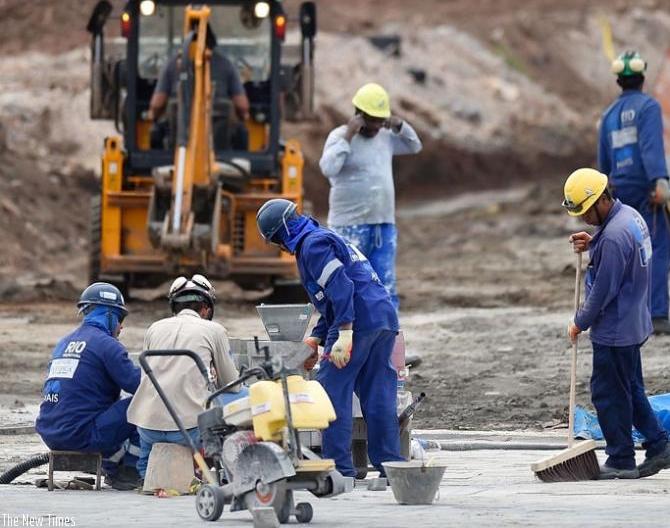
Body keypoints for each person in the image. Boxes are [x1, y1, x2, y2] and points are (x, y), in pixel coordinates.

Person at [255, 198, 405, 478]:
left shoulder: (312, 246)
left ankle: (338, 470)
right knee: (377, 393)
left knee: (329, 391)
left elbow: (342, 288)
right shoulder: (322, 237)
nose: (280, 248)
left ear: (283, 233)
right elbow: (331, 299)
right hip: (382, 317)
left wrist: (345, 333)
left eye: (277, 241)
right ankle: (392, 466)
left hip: (357, 321)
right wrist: (316, 337)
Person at [563, 168, 670, 480]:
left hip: (614, 330)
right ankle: (659, 447)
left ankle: (620, 459)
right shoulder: (629, 217)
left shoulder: (613, 236)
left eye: (586, 211)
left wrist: (579, 322)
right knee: (630, 389)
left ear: (601, 199)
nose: (583, 218)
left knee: (609, 394)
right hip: (632, 323)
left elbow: (603, 290)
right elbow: (620, 254)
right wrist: (593, 243)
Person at [597, 49, 670, 335]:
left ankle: (629, 315)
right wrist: (660, 181)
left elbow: (605, 161)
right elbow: (651, 147)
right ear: (642, 77)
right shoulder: (649, 108)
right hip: (648, 192)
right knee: (658, 248)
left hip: (619, 191)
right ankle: (658, 315)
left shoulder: (608, 115)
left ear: (618, 81)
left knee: (627, 253)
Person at [126, 275, 242, 480]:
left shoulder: (154, 328)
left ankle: (146, 473)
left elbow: (147, 378)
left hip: (148, 428)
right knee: (244, 399)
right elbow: (231, 384)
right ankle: (232, 469)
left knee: (147, 470)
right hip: (190, 431)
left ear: (173, 306)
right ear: (205, 308)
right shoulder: (214, 330)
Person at [318, 82, 422, 311]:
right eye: (372, 119)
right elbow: (329, 168)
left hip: (382, 226)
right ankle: (348, 339)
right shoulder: (339, 137)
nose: (376, 126)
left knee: (384, 287)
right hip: (348, 227)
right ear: (359, 115)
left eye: (380, 120)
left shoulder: (385, 137)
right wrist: (348, 135)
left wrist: (400, 125)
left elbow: (414, 146)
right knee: (348, 286)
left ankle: (386, 339)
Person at [35, 282, 142, 491]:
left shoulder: (63, 343)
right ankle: (129, 472)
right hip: (81, 436)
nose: (122, 327)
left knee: (101, 412)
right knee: (143, 404)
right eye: (120, 319)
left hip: (51, 433)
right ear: (109, 315)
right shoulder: (108, 345)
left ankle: (111, 467)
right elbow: (139, 386)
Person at [147, 23, 249, 150]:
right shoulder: (226, 65)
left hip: (178, 145)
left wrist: (153, 114)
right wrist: (242, 115)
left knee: (156, 131)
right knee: (242, 132)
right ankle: (239, 158)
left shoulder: (172, 65)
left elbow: (157, 103)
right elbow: (242, 105)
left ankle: (155, 161)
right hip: (220, 145)